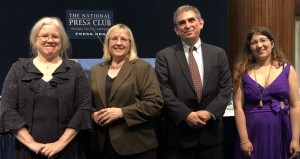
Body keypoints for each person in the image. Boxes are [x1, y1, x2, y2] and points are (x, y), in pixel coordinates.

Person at [0, 17, 93, 159]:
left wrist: (60, 143)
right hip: (26, 150)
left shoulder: (75, 70)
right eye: (44, 36)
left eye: (55, 36)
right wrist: (31, 143)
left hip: (69, 149)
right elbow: (7, 108)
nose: (50, 40)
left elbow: (84, 108)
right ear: (35, 39)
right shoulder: (18, 69)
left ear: (62, 41)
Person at [155, 5, 232, 159]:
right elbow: (164, 90)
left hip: (211, 135)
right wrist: (186, 115)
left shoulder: (218, 54)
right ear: (176, 30)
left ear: (201, 23)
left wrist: (209, 113)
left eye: (191, 20)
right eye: (182, 23)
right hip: (179, 138)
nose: (187, 25)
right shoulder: (164, 56)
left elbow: (226, 88)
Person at [88, 23, 164, 159]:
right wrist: (93, 115)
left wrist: (122, 112)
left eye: (123, 39)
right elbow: (86, 104)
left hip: (136, 146)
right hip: (102, 146)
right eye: (114, 39)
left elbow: (155, 103)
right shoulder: (95, 70)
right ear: (108, 43)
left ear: (130, 44)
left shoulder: (143, 68)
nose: (118, 43)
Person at [233, 27, 300, 159]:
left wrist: (296, 139)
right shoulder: (242, 71)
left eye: (263, 40)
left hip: (280, 130)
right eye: (254, 42)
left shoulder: (287, 69)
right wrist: (244, 139)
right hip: (252, 131)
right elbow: (238, 107)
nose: (259, 45)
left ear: (272, 43)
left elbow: (295, 105)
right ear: (249, 47)